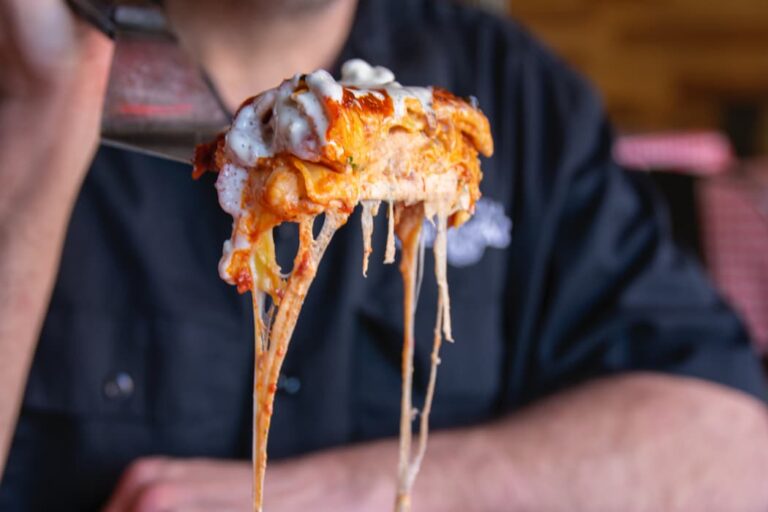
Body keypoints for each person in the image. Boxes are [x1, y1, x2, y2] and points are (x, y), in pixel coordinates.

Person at [2, 0, 768, 510]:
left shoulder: (516, 92)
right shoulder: (32, 70)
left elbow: (736, 450)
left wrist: (345, 495)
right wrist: (40, 108)